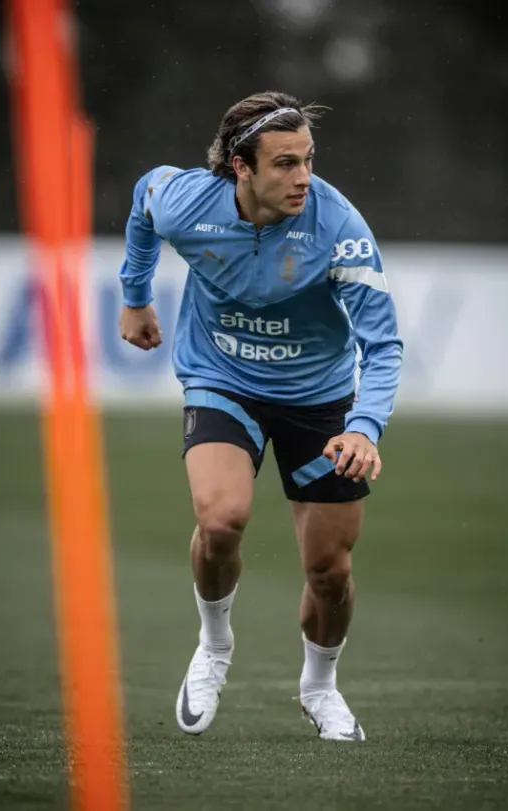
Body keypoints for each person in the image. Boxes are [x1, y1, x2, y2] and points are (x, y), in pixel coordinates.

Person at [118, 91, 403, 741]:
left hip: (321, 398)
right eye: (283, 164)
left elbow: (382, 343)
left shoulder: (339, 227)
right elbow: (144, 199)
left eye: (307, 160)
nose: (303, 177)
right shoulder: (190, 200)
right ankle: (214, 646)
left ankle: (319, 685)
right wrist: (135, 297)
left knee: (330, 571)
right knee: (220, 518)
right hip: (223, 379)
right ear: (240, 167)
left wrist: (364, 425)